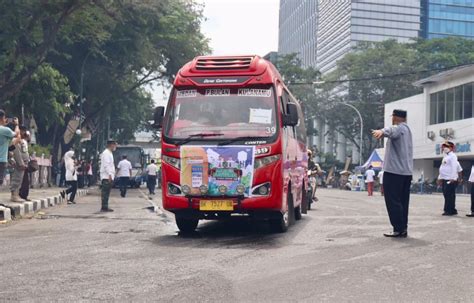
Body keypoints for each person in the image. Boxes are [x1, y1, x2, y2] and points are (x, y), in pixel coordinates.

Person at [372, 109, 413, 238]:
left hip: (394, 172)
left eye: (393, 117)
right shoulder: (408, 130)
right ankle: (403, 228)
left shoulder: (398, 128)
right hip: (406, 172)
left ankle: (398, 229)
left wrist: (381, 131)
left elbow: (390, 130)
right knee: (403, 202)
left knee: (393, 201)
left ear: (395, 117)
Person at [437, 141, 459, 216]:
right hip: (445, 178)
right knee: (447, 195)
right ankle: (452, 210)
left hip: (450, 179)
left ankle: (449, 210)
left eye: (447, 146)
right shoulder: (446, 156)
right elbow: (442, 168)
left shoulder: (453, 156)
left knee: (449, 195)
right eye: (444, 146)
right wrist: (440, 178)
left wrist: (453, 178)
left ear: (451, 148)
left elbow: (454, 167)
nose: (444, 148)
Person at [0, 111, 20, 186]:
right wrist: (17, 124)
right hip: (1, 160)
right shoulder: (5, 130)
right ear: (2, 118)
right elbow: (16, 134)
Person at [9, 126, 28, 202]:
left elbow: (24, 152)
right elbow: (17, 153)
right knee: (16, 179)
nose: (24, 133)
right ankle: (14, 196)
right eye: (22, 131)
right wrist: (20, 163)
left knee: (20, 180)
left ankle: (16, 195)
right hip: (18, 163)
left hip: (23, 163)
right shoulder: (15, 140)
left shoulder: (23, 141)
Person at [100, 140, 117, 212]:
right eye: (114, 145)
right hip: (106, 175)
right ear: (111, 145)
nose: (115, 146)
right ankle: (104, 207)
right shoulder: (106, 153)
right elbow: (106, 165)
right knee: (105, 192)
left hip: (109, 175)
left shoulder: (109, 153)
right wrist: (110, 174)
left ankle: (105, 206)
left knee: (107, 192)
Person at [18, 128, 31, 201]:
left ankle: (24, 195)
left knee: (26, 180)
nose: (24, 133)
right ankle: (21, 195)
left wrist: (28, 136)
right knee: (23, 180)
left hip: (25, 163)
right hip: (21, 163)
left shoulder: (25, 141)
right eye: (22, 131)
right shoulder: (19, 140)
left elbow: (29, 141)